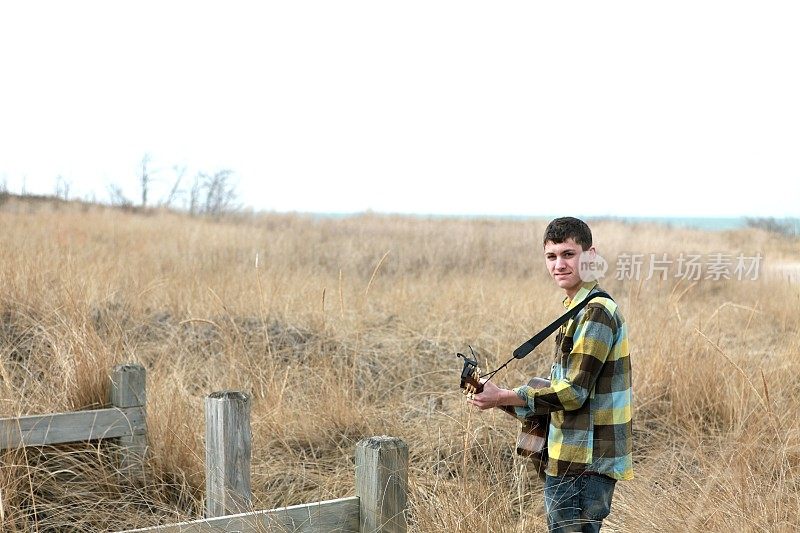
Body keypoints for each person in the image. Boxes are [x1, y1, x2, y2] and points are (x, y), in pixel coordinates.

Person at [467, 216, 633, 533]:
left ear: (590, 255)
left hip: (582, 464)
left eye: (568, 254)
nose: (559, 264)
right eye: (551, 256)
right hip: (571, 457)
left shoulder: (595, 313)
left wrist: (502, 396)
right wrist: (498, 396)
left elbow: (572, 393)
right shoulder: (578, 309)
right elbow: (560, 397)